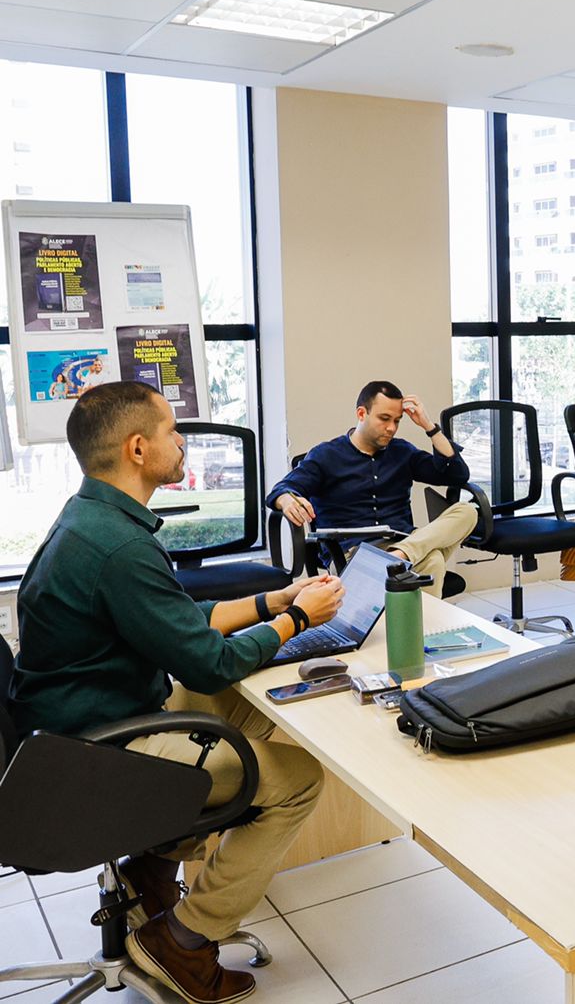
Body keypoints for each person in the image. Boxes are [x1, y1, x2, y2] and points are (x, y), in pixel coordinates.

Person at [8, 381, 342, 1004]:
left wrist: (277, 600)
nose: (182, 440)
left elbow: (179, 621)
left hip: (71, 731)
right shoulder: (121, 547)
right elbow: (210, 662)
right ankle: (184, 940)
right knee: (298, 779)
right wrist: (298, 623)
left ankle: (152, 873)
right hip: (89, 758)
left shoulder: (94, 517)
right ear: (138, 448)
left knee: (234, 704)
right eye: (171, 430)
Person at [265, 381, 475, 596]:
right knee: (433, 559)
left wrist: (429, 427)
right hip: (353, 553)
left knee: (468, 511)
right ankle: (412, 618)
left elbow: (456, 474)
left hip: (402, 541)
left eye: (397, 421)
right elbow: (282, 489)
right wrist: (288, 499)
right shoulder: (326, 455)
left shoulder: (402, 451)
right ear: (362, 413)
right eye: (384, 419)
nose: (391, 428)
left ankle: (400, 556)